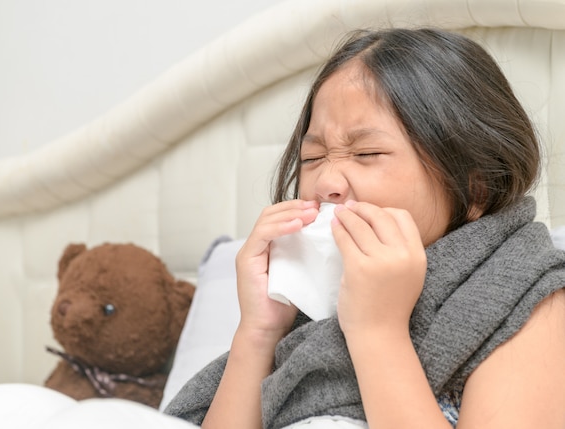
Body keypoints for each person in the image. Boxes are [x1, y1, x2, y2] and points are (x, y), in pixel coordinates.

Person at [165, 28, 565, 428]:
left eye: (366, 153)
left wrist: (378, 330)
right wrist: (259, 331)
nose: (326, 183)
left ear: (476, 187)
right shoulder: (307, 310)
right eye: (313, 156)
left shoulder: (532, 301)